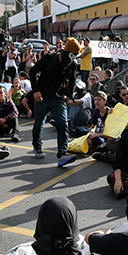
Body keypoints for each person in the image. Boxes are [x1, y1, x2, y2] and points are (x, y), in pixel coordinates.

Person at [29, 38, 79, 167]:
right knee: (39, 123)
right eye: (72, 53)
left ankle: (62, 154)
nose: (73, 57)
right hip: (42, 97)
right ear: (65, 51)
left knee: (62, 125)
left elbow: (73, 80)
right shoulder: (49, 58)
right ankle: (37, 146)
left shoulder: (72, 63)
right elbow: (32, 71)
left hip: (58, 98)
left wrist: (69, 95)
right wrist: (36, 91)